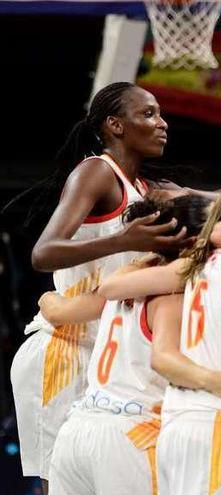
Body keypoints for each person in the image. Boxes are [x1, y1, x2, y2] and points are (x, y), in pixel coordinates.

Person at [9, 82, 188, 491]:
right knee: (62, 484)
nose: (162, 123)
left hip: (108, 355)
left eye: (160, 113)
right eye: (148, 114)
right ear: (115, 125)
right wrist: (124, 241)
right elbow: (43, 252)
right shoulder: (96, 171)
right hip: (64, 350)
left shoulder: (143, 189)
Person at [39, 194, 215, 495]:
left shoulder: (121, 280)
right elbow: (165, 358)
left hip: (76, 431)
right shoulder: (173, 298)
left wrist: (46, 298)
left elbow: (58, 311)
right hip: (131, 433)